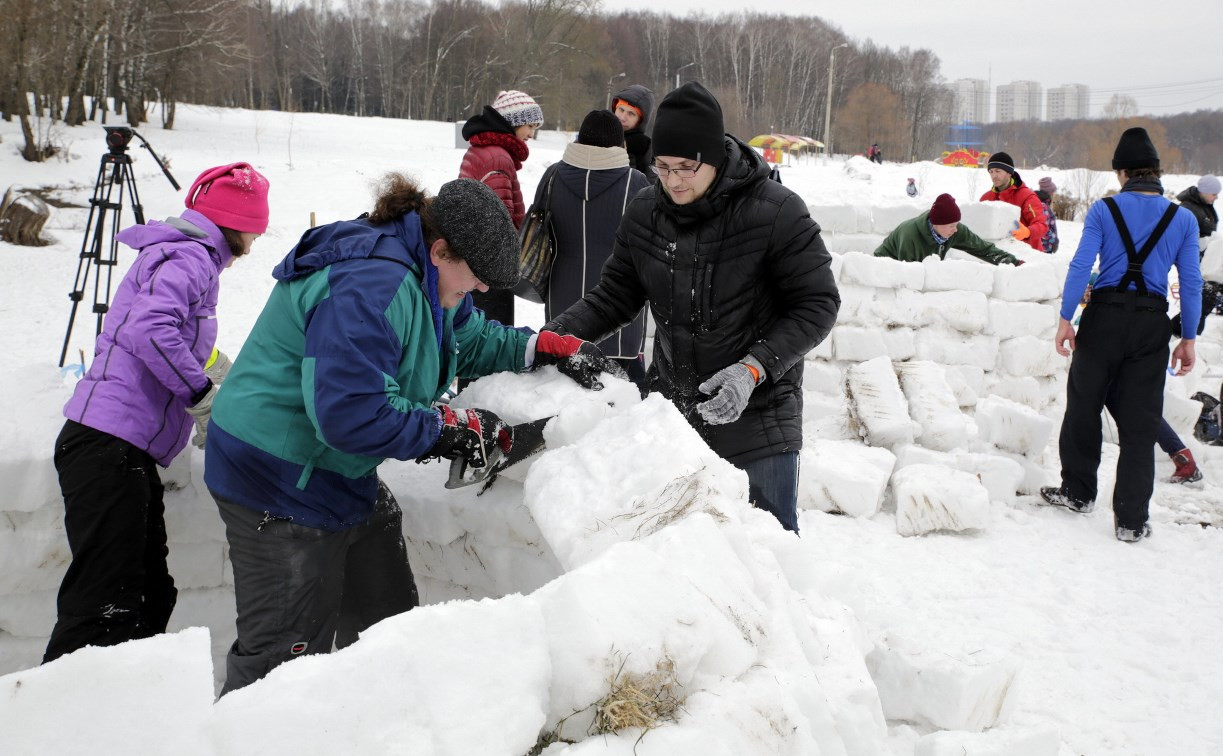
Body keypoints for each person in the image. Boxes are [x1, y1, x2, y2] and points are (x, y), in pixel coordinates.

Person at [202, 176, 619, 693]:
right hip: (276, 476)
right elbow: (351, 413)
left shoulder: (428, 272)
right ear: (441, 249)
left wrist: (541, 348)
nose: (485, 290)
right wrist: (449, 430)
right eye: (478, 276)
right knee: (283, 663)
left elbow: (465, 335)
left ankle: (376, 722)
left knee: (390, 630)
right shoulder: (371, 286)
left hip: (336, 471)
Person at [544, 81, 841, 534]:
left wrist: (752, 369)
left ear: (715, 158)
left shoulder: (776, 212)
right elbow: (614, 296)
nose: (674, 180)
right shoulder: (645, 209)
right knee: (680, 558)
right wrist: (554, 338)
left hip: (760, 420)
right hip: (676, 418)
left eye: (687, 167)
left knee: (766, 559)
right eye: (662, 167)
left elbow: (817, 304)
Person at [44, 162, 270, 663]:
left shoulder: (185, 255)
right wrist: (200, 395)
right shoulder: (192, 258)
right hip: (106, 444)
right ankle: (64, 723)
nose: (253, 246)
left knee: (149, 591)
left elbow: (171, 333)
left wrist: (222, 370)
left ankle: (132, 706)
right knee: (106, 603)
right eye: (255, 232)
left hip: (120, 448)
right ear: (241, 226)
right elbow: (150, 330)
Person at [1040, 127, 1201, 543]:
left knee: (1084, 405)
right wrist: (1188, 336)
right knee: (1140, 422)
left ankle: (1078, 492)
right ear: (1156, 173)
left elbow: (1079, 265)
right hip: (1151, 324)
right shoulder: (1181, 217)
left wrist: (1065, 318)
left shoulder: (1103, 210)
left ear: (1122, 173)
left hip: (1103, 319)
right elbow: (1192, 280)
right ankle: (1131, 520)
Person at [544, 109, 651, 385]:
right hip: (619, 307)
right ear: (620, 144)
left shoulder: (553, 176)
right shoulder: (635, 182)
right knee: (621, 395)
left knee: (562, 387)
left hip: (561, 302)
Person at [458, 89, 544, 327]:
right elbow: (498, 219)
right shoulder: (497, 157)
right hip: (489, 263)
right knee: (492, 329)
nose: (531, 133)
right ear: (514, 122)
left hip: (474, 257)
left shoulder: (483, 148)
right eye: (529, 125)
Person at [873, 193, 1022, 266]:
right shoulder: (910, 235)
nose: (955, 229)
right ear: (936, 224)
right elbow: (907, 278)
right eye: (951, 225)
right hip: (884, 269)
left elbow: (982, 248)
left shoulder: (953, 230)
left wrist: (1013, 262)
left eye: (956, 224)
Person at [1170, 174, 1219, 337]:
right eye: (1213, 193)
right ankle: (1177, 331)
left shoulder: (1205, 205)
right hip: (1194, 261)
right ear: (1204, 191)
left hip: (1206, 260)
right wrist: (1202, 243)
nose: (1216, 197)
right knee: (1203, 297)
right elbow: (1180, 236)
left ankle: (1190, 333)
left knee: (1208, 297)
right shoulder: (1187, 208)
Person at [979, 151, 1048, 252]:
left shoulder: (1027, 196)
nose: (994, 176)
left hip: (1028, 257)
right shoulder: (986, 198)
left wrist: (1028, 232)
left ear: (1009, 173)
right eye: (991, 171)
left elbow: (1042, 226)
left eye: (998, 171)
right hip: (996, 257)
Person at [610, 84, 655, 175]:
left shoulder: (646, 148)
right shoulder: (596, 132)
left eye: (631, 114)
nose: (623, 118)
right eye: (621, 110)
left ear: (641, 120)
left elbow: (652, 183)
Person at [1036, 176, 1060, 253]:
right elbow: (1043, 228)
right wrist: (1054, 241)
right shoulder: (1043, 206)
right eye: (1054, 193)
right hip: (1044, 248)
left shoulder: (1040, 203)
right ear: (1050, 193)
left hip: (1042, 246)